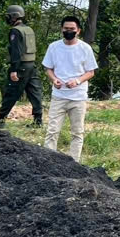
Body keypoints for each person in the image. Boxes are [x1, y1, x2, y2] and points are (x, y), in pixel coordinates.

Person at [42, 16, 97, 162]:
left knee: (77, 132)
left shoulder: (85, 48)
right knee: (52, 131)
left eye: (72, 29)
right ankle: (48, 161)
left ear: (78, 31)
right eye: (66, 29)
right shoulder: (53, 47)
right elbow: (48, 68)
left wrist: (77, 81)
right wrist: (54, 79)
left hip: (78, 97)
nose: (69, 31)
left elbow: (91, 72)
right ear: (61, 29)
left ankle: (74, 163)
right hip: (58, 96)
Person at [0, 5, 43, 129]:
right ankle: (38, 120)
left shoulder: (15, 31)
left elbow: (16, 52)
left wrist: (14, 70)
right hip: (32, 65)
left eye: (8, 16)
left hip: (21, 67)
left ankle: (0, 120)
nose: (7, 19)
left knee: (11, 93)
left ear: (14, 16)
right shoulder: (29, 29)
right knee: (35, 93)